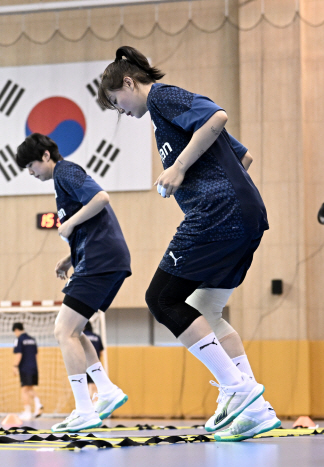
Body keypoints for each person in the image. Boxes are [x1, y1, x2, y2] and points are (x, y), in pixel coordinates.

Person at [98, 45, 280, 441]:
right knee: (204, 308)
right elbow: (241, 157)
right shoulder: (166, 119)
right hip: (243, 215)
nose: (121, 111)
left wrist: (180, 169)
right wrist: (207, 180)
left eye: (117, 101)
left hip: (218, 215)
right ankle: (256, 410)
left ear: (128, 82)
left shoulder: (162, 96)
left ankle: (239, 388)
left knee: (162, 299)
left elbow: (217, 115)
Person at [14, 134, 130, 432]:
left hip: (101, 260)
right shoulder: (60, 180)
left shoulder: (65, 171)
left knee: (63, 331)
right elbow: (91, 224)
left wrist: (70, 222)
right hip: (99, 259)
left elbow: (101, 198)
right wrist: (69, 257)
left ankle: (84, 409)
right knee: (74, 332)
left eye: (30, 164)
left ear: (45, 156)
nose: (29, 171)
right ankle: (105, 391)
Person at [11, 323, 43, 421]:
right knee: (29, 388)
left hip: (25, 368)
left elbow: (19, 354)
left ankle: (27, 412)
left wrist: (15, 366)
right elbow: (36, 355)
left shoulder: (19, 339)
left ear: (16, 330)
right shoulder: (32, 340)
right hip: (34, 367)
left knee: (24, 390)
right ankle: (38, 405)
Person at [82, 322, 104, 400]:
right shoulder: (97, 337)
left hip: (82, 365)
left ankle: (87, 405)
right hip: (94, 365)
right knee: (93, 385)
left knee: (83, 386)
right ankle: (94, 403)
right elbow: (101, 353)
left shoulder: (81, 336)